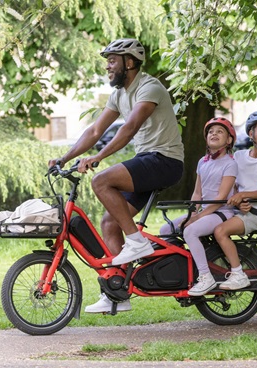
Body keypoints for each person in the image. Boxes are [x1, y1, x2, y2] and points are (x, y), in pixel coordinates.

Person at [48, 38, 184, 313]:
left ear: (130, 62)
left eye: (112, 61)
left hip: (165, 160)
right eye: (108, 61)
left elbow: (131, 127)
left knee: (101, 180)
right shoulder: (118, 94)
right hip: (147, 160)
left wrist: (99, 158)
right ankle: (117, 292)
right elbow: (95, 131)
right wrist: (64, 158)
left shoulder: (150, 87)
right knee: (109, 223)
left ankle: (137, 242)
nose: (108, 67)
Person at [160, 117, 237, 296]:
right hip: (205, 211)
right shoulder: (203, 161)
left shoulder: (230, 164)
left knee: (190, 231)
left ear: (229, 140)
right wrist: (192, 213)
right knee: (166, 229)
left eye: (220, 131)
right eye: (211, 132)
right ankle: (184, 269)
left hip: (222, 212)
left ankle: (205, 277)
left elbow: (220, 198)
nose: (214, 134)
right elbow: (197, 193)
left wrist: (196, 218)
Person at [213, 110, 257, 290]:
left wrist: (244, 196)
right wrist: (238, 199)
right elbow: (232, 185)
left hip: (255, 214)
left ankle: (238, 274)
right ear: (251, 134)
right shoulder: (238, 156)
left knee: (220, 231)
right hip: (237, 209)